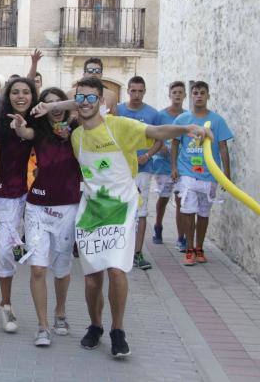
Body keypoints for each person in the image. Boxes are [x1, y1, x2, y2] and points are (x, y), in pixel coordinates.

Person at [32, 76, 210, 357]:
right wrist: (70, 102)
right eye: (82, 98)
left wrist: (186, 127)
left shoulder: (121, 126)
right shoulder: (75, 136)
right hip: (91, 212)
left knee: (116, 271)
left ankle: (118, 330)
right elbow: (65, 114)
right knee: (92, 279)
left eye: (93, 98)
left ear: (101, 102)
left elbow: (157, 130)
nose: (87, 102)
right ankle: (95, 326)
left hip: (122, 209)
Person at [9, 88, 80, 347]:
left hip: (68, 207)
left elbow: (88, 102)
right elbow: (23, 132)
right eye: (48, 104)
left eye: (58, 103)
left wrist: (56, 105)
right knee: (38, 268)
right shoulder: (38, 130)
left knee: (62, 269)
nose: (55, 108)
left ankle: (60, 311)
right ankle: (42, 326)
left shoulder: (77, 126)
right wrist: (19, 125)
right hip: (37, 207)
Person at [0, 77, 38, 333]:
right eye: (15, 92)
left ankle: (7, 305)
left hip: (16, 198)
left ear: (33, 96)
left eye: (26, 92)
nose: (20, 97)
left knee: (3, 252)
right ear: (7, 96)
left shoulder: (35, 123)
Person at [171, 81, 233, 266]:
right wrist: (174, 167)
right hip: (187, 171)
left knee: (204, 212)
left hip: (209, 174)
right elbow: (175, 142)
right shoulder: (182, 120)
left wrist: (226, 174)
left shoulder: (217, 120)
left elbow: (223, 147)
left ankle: (199, 247)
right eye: (196, 92)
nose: (199, 96)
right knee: (188, 209)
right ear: (191, 96)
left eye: (202, 93)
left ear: (208, 95)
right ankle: (189, 249)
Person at [116, 76, 161, 271]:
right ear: (127, 91)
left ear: (145, 91)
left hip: (143, 170)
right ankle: (118, 251)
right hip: (120, 170)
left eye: (140, 91)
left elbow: (159, 139)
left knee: (140, 212)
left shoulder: (153, 114)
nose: (136, 94)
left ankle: (137, 253)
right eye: (133, 90)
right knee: (119, 210)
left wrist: (149, 155)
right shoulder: (118, 110)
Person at [152, 81, 188, 249]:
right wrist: (160, 148)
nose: (177, 95)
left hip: (182, 165)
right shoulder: (160, 115)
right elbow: (154, 136)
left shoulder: (188, 117)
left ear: (184, 95)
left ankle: (181, 237)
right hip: (163, 164)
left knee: (180, 199)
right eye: (174, 92)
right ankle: (158, 226)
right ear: (170, 95)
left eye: (180, 92)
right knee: (164, 197)